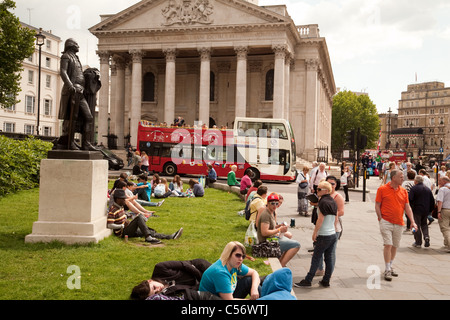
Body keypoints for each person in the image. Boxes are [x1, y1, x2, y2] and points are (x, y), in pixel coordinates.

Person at [54, 39, 99, 151]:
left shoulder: (76, 58)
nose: (78, 46)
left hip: (80, 91)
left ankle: (86, 143)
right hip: (72, 91)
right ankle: (70, 143)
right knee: (72, 118)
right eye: (76, 44)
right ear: (70, 45)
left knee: (88, 117)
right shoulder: (66, 56)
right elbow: (63, 72)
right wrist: (71, 86)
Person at [375, 169, 417, 281]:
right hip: (386, 221)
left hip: (399, 222)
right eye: (401, 176)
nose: (403, 178)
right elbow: (377, 205)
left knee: (395, 246)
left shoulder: (403, 191)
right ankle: (387, 269)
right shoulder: (382, 189)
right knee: (388, 244)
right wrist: (380, 218)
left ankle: (390, 265)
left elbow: (407, 207)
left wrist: (412, 221)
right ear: (393, 178)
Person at [294, 180, 338, 288]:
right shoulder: (332, 201)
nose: (316, 191)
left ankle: (308, 280)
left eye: (319, 189)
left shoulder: (323, 202)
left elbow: (320, 219)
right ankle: (326, 280)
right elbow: (335, 218)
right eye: (316, 188)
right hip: (332, 234)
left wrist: (315, 232)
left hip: (324, 234)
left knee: (316, 257)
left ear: (326, 191)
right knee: (328, 258)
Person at [107, 189, 183, 244]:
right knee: (139, 217)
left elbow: (123, 217)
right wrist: (121, 226)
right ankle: (148, 238)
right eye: (123, 199)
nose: (125, 200)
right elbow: (110, 225)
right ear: (117, 199)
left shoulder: (121, 207)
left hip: (127, 227)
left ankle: (170, 237)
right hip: (122, 232)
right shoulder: (113, 210)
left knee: (149, 231)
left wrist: (127, 218)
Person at [130, 259, 219, 300]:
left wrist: (203, 278)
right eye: (155, 292)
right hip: (198, 284)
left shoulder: (160, 268)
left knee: (218, 278)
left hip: (197, 268)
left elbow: (184, 265)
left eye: (154, 287)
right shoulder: (165, 294)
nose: (158, 290)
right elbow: (188, 291)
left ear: (149, 281)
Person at [256, 193, 300, 267]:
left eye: (277, 203)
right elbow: (264, 232)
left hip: (271, 239)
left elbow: (270, 228)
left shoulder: (270, 212)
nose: (275, 205)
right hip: (267, 242)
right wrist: (279, 229)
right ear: (268, 203)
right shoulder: (266, 214)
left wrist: (278, 226)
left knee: (290, 242)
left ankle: (280, 263)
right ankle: (281, 266)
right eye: (272, 203)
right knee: (296, 245)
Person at [316, 176, 344, 276]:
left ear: (336, 185)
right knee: (318, 249)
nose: (331, 185)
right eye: (328, 183)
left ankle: (328, 274)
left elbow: (341, 212)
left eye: (333, 184)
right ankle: (319, 269)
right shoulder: (322, 195)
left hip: (334, 228)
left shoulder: (337, 197)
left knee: (330, 252)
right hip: (323, 227)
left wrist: (328, 214)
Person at [409, 175, 435, 248]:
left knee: (415, 225)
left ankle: (418, 241)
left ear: (416, 181)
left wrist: (410, 208)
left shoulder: (414, 188)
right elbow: (432, 201)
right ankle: (426, 237)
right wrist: (430, 210)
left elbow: (410, 199)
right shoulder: (427, 189)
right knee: (424, 225)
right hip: (426, 210)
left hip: (416, 210)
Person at [436, 176, 450, 252]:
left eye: (440, 181)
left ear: (444, 181)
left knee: (445, 228)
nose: (439, 182)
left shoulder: (443, 189)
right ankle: (446, 243)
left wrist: (439, 211)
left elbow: (440, 201)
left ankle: (449, 245)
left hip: (445, 210)